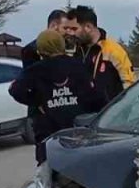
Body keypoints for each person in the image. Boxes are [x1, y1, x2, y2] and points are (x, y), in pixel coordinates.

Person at [9, 30, 105, 163]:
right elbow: (96, 96)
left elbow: (15, 90)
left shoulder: (36, 70)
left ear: (41, 49)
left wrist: (37, 102)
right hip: (77, 132)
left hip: (48, 134)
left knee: (48, 173)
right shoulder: (78, 65)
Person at [60, 5, 134, 102]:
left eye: (74, 29)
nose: (70, 33)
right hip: (83, 114)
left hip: (110, 113)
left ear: (88, 27)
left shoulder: (113, 51)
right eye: (68, 29)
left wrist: (119, 113)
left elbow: (130, 87)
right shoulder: (76, 50)